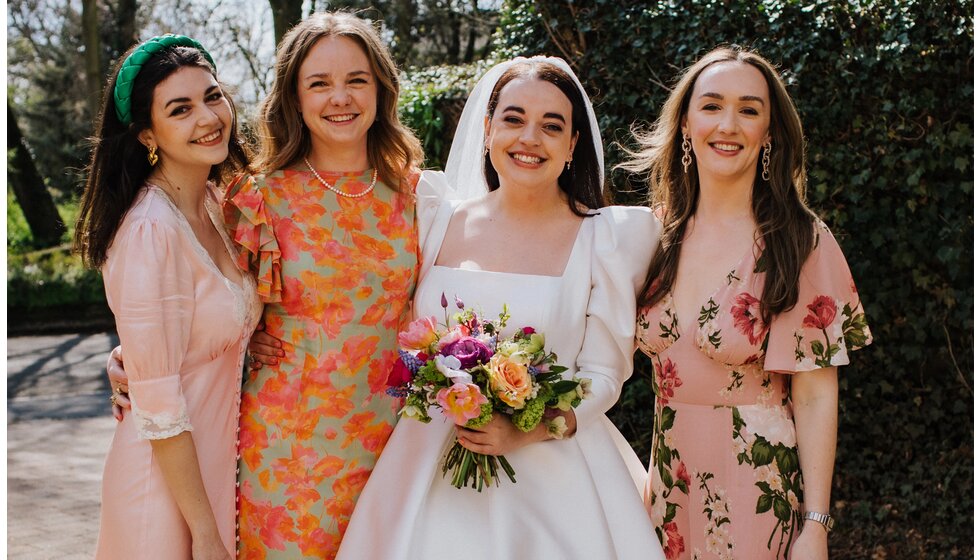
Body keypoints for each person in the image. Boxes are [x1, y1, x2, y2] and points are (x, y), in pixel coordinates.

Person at [334, 57, 666, 560]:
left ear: (573, 145)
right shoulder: (434, 216)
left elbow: (603, 375)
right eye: (513, 119)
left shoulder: (606, 238)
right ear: (488, 129)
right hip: (427, 463)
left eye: (551, 126)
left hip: (554, 471)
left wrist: (528, 427)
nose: (529, 138)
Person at [625, 46, 872, 560]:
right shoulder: (653, 232)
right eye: (712, 106)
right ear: (687, 124)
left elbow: (815, 393)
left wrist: (816, 525)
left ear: (770, 133)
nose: (728, 124)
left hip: (754, 493)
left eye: (749, 109)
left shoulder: (799, 241)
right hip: (665, 489)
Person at [75, 35, 261, 559]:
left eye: (212, 96)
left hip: (218, 470)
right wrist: (203, 532)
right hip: (164, 492)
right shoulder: (149, 232)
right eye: (180, 109)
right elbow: (157, 403)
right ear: (147, 135)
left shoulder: (220, 203)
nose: (208, 117)